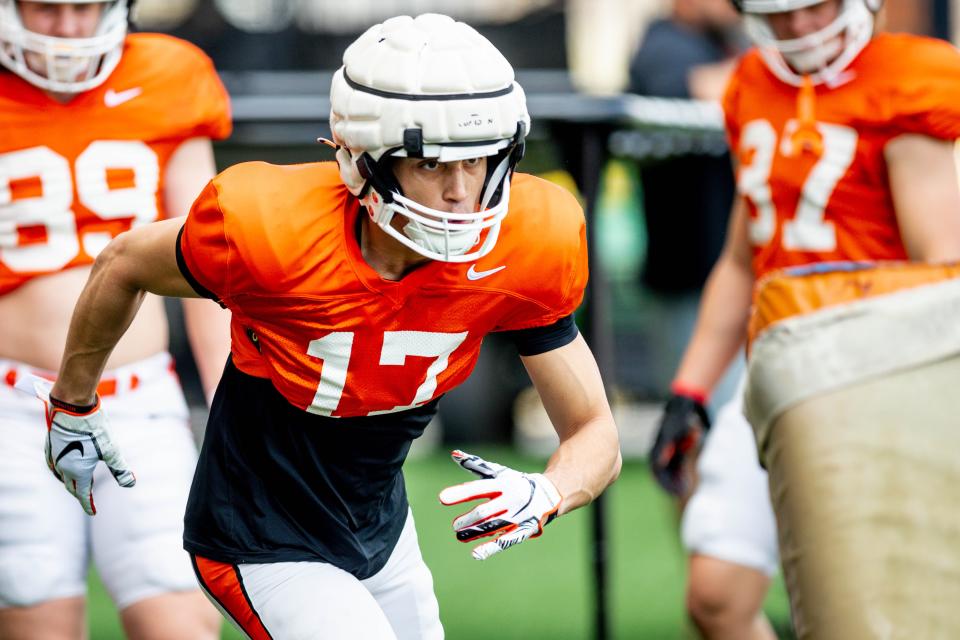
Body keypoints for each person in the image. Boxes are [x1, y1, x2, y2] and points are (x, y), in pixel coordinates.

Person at [27, 13, 622, 640]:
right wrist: (73, 400)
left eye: (479, 161)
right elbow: (122, 263)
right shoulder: (266, 230)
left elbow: (593, 432)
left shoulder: (529, 239)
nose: (460, 193)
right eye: (429, 164)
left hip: (378, 528)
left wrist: (552, 489)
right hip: (259, 532)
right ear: (361, 159)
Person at [648, 0, 960, 638]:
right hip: (778, 368)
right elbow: (744, 258)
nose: (798, 28)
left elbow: (944, 268)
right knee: (716, 595)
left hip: (874, 374)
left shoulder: (910, 77)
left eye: (814, 7)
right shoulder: (751, 83)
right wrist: (691, 391)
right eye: (779, 12)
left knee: (862, 604)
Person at [0, 1, 233, 639]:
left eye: (87, 7)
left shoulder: (170, 72)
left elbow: (212, 267)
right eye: (47, 9)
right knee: (34, 614)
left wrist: (230, 407)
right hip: (11, 404)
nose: (70, 29)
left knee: (179, 618)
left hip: (141, 402)